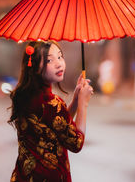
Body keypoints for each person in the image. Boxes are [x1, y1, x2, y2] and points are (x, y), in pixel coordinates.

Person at [9, 41, 93, 182]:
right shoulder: (51, 103)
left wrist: (75, 100)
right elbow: (76, 143)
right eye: (49, 60)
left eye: (60, 57)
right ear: (35, 67)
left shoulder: (22, 95)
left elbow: (56, 125)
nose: (59, 64)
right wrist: (83, 105)